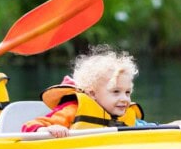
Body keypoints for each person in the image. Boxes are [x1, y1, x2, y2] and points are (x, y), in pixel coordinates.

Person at [21, 44, 152, 137]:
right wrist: (48, 129)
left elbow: (152, 129)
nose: (124, 98)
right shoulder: (72, 110)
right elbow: (28, 127)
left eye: (127, 92)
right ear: (92, 93)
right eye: (116, 92)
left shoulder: (127, 116)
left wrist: (172, 126)